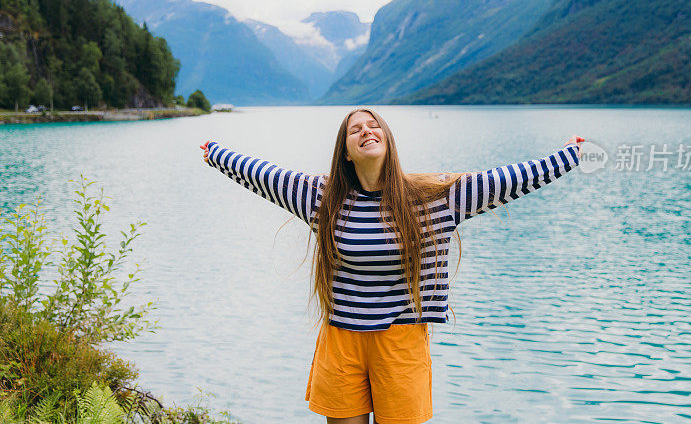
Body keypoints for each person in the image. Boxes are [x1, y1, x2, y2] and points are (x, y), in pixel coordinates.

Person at [200, 108, 584, 424]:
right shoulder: (322, 198)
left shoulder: (432, 199)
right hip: (341, 340)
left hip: (401, 342)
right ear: (346, 152)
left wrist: (566, 156)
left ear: (387, 140)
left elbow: (507, 180)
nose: (366, 130)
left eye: (373, 125)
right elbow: (262, 175)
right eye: (355, 129)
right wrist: (215, 152)